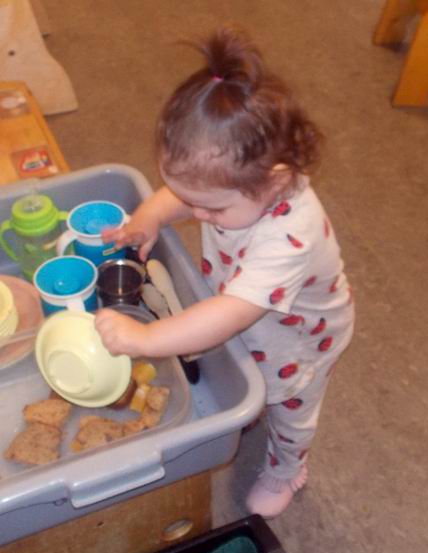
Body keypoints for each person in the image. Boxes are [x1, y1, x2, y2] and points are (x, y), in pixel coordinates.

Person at [95, 24, 355, 518]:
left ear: (274, 182)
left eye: (210, 208)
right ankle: (256, 403)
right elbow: (186, 195)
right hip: (246, 301)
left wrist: (144, 340)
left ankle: (286, 469)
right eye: (189, 199)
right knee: (236, 355)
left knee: (288, 410)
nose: (197, 213)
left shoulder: (289, 236)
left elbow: (232, 313)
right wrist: (152, 213)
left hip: (298, 339)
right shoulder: (235, 187)